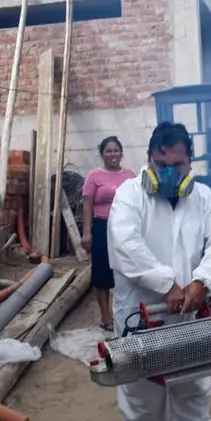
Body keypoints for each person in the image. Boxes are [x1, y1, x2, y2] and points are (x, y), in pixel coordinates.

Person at [108, 122, 211, 421]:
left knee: (193, 387)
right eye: (160, 164)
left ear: (189, 163)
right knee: (142, 394)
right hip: (140, 313)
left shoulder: (204, 198)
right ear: (149, 159)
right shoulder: (129, 196)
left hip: (186, 315)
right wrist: (167, 284)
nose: (167, 173)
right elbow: (125, 244)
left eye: (176, 165)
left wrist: (202, 282)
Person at [82, 136, 136, 330]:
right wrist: (87, 232)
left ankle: (128, 313)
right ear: (102, 154)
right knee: (102, 271)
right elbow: (87, 205)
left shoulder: (130, 175)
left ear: (121, 153)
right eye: (108, 150)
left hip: (126, 228)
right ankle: (106, 317)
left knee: (128, 269)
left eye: (116, 150)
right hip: (102, 227)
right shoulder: (94, 176)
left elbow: (138, 202)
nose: (113, 154)